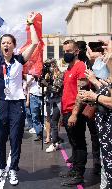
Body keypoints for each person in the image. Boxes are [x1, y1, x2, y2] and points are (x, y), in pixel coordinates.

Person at [0, 13, 39, 185]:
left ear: (14, 46)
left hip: (17, 104)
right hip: (0, 103)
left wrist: (31, 24)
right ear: (0, 46)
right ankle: (1, 167)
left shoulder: (20, 59)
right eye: (3, 43)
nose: (6, 45)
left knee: (16, 138)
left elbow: (34, 43)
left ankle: (13, 169)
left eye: (9, 43)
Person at [78, 39, 112, 188]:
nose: (104, 51)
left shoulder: (105, 66)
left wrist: (95, 97)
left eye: (107, 48)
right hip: (105, 131)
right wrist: (96, 85)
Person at [59, 40, 88, 186]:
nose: (66, 54)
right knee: (73, 144)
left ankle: (79, 174)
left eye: (69, 51)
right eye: (64, 51)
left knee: (79, 143)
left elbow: (81, 92)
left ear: (76, 51)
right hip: (66, 111)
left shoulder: (80, 67)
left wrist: (75, 113)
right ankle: (74, 169)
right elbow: (66, 92)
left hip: (75, 112)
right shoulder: (68, 69)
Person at [39, 59, 64, 152]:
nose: (47, 68)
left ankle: (54, 143)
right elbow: (41, 85)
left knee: (54, 122)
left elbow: (56, 89)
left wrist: (46, 84)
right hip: (49, 100)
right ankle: (55, 140)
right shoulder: (48, 75)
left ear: (53, 65)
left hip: (57, 101)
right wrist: (41, 79)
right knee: (49, 119)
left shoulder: (60, 74)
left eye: (48, 65)